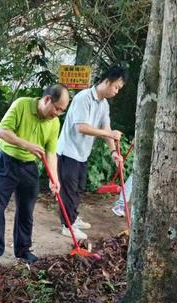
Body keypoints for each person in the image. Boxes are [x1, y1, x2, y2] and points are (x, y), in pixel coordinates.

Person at [0, 84, 70, 273]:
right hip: (5, 162)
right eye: (57, 108)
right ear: (47, 99)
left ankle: (23, 250)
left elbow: (51, 153)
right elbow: (1, 131)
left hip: (29, 167)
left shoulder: (54, 123)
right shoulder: (21, 104)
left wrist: (54, 179)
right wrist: (27, 145)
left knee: (26, 211)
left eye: (61, 111)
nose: (57, 114)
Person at [56, 65, 127, 240]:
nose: (116, 91)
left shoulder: (103, 105)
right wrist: (109, 133)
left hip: (82, 153)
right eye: (116, 87)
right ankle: (67, 225)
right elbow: (82, 127)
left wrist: (113, 153)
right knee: (69, 190)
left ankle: (73, 217)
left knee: (79, 188)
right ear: (107, 81)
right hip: (68, 151)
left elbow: (106, 127)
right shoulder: (83, 98)